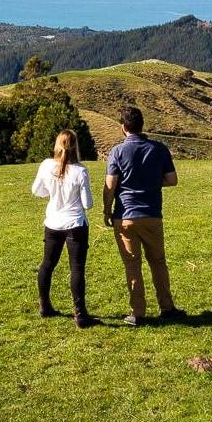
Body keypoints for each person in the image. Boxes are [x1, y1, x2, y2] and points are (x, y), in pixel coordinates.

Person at [103, 106, 186, 326]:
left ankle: (137, 312)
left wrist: (107, 210)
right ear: (142, 125)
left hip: (125, 215)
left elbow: (110, 185)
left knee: (132, 264)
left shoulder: (117, 152)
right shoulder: (159, 149)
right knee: (158, 262)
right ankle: (167, 307)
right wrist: (151, 182)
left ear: (123, 127)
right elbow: (172, 180)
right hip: (151, 214)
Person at [32, 129, 98, 329]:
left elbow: (37, 191)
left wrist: (53, 191)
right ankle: (80, 314)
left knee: (47, 264)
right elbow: (87, 204)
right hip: (75, 224)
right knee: (76, 268)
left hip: (53, 222)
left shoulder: (46, 165)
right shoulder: (80, 171)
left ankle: (44, 305)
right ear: (75, 146)